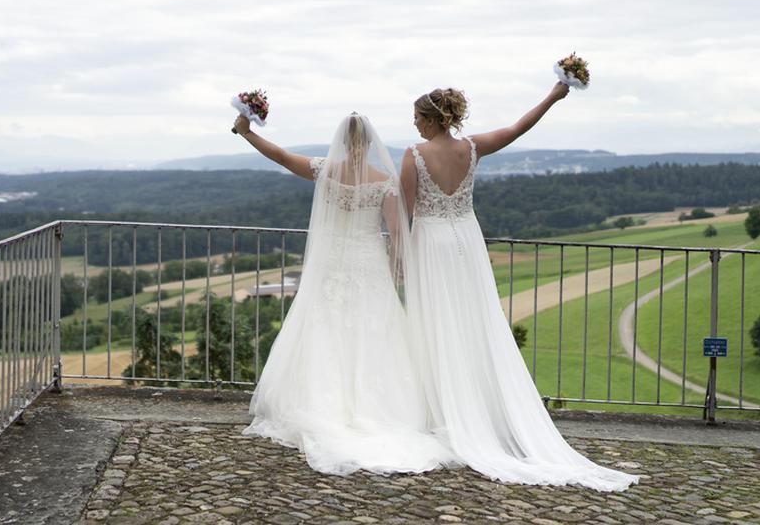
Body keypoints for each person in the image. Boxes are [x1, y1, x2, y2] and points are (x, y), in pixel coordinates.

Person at [400, 85, 638, 490]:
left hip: (431, 245)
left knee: (436, 323)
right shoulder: (471, 148)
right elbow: (517, 128)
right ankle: (478, 412)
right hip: (468, 244)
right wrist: (554, 95)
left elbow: (404, 214)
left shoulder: (414, 156)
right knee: (476, 323)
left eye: (419, 118)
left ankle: (441, 413)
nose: (415, 124)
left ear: (435, 118)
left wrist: (398, 263)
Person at [232, 111, 456, 475]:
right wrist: (397, 268)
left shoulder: (325, 171)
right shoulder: (384, 181)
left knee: (326, 328)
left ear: (340, 140)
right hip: (368, 264)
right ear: (368, 144)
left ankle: (325, 406)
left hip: (332, 265)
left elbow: (282, 157)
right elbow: (398, 232)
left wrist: (246, 133)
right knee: (372, 332)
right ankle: (379, 409)